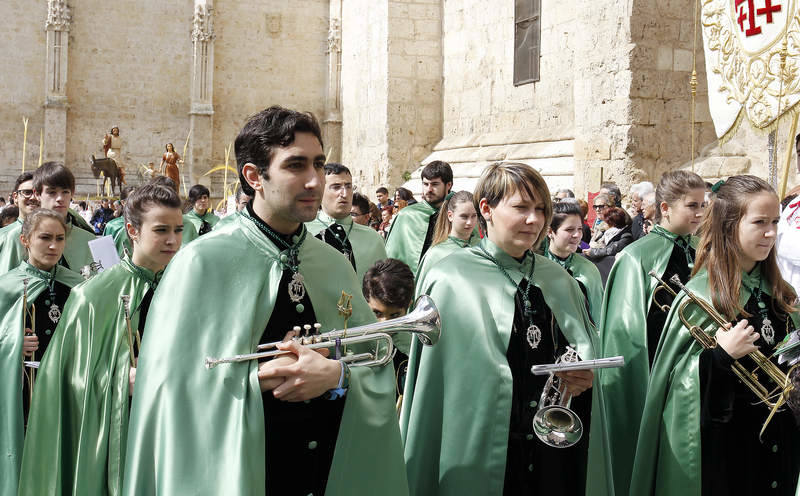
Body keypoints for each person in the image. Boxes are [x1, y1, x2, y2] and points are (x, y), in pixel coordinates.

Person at [122, 106, 408, 496]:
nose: (315, 181)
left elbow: (376, 362)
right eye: (296, 166)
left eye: (319, 165)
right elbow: (166, 394)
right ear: (254, 176)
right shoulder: (200, 262)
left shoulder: (334, 264)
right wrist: (251, 381)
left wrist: (338, 376)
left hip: (327, 475)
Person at [401, 162, 610, 495]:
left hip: (552, 452)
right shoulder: (451, 278)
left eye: (541, 209)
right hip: (480, 450)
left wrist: (584, 377)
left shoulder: (558, 280)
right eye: (521, 208)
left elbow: (584, 353)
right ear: (487, 208)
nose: (534, 220)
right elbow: (438, 386)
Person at [631, 175, 800, 496]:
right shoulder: (701, 296)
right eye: (760, 222)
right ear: (728, 226)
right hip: (727, 455)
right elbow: (678, 398)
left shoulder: (782, 294)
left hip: (780, 447)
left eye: (776, 221)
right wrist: (719, 358)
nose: (771, 233)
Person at [18, 180, 184, 496]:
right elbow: (67, 383)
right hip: (118, 436)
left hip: (174, 429)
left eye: (178, 230)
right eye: (161, 230)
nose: (173, 240)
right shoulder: (92, 296)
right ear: (133, 231)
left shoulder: (186, 286)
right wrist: (122, 379)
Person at [591, 169, 706, 496]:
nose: (700, 213)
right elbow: (625, 335)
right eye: (692, 206)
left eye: (703, 205)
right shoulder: (636, 257)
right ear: (666, 208)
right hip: (659, 375)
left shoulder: (704, 250)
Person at [0, 209, 83, 495]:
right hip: (23, 396)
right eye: (44, 238)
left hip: (66, 391)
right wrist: (12, 343)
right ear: (25, 239)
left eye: (59, 239)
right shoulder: (6, 286)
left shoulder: (78, 287)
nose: (53, 246)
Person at [306, 162, 388, 283]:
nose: (344, 194)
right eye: (336, 186)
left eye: (348, 186)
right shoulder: (303, 232)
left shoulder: (373, 239)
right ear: (320, 190)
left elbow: (382, 287)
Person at [386, 161, 455, 278]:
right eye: (425, 184)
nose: (429, 189)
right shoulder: (406, 216)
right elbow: (391, 259)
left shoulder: (461, 215)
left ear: (448, 185)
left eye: (435, 184)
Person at [541, 201, 604, 323]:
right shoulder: (537, 266)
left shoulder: (588, 269)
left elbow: (597, 316)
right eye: (569, 229)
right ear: (550, 232)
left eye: (580, 229)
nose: (577, 235)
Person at [33, 163, 96, 274]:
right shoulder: (18, 237)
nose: (60, 198)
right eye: (52, 192)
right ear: (37, 194)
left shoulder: (90, 240)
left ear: (72, 193)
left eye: (65, 192)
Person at [416, 190, 479, 283]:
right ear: (450, 216)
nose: (469, 222)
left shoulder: (483, 247)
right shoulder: (436, 254)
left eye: (474, 216)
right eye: (464, 216)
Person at [0, 173, 40, 274]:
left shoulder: (56, 236)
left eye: (38, 193)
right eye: (27, 192)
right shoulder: (3, 236)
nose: (33, 197)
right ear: (15, 197)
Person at [584, 206, 634, 283]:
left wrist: (593, 252)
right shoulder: (607, 234)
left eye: (605, 222)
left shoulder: (625, 236)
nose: (603, 224)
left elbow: (611, 250)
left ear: (612, 223)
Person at [103, 186, 136, 257]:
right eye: (132, 199)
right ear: (123, 202)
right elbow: (104, 255)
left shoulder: (146, 225)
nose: (137, 202)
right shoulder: (112, 226)